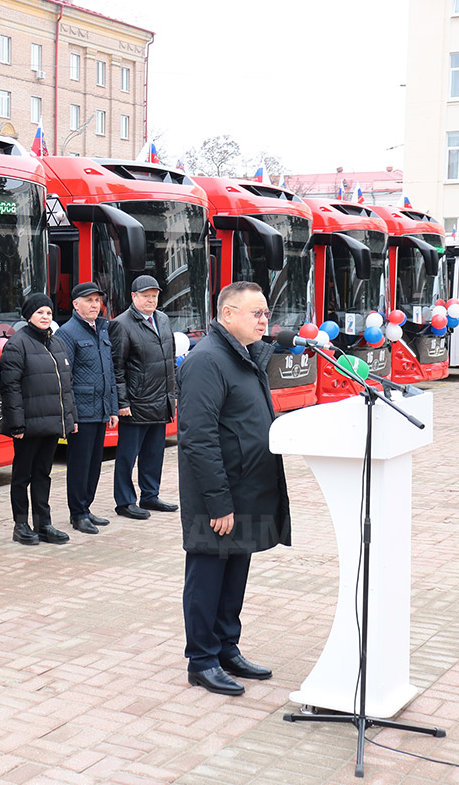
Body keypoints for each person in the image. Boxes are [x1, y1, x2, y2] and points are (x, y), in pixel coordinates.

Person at [176, 281, 291, 696]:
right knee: (207, 577)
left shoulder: (244, 357)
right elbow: (198, 437)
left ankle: (227, 648)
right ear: (227, 315)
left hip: (246, 489)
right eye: (255, 313)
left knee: (234, 577)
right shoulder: (207, 361)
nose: (265, 321)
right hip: (218, 497)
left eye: (265, 313)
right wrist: (218, 502)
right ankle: (202, 660)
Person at [0, 294, 77, 545]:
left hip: (52, 424)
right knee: (22, 475)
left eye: (49, 313)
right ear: (29, 315)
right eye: (40, 312)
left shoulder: (57, 344)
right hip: (28, 426)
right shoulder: (17, 344)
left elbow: (66, 386)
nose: (45, 317)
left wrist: (70, 419)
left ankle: (44, 524)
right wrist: (17, 424)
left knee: (43, 474)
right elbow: (10, 388)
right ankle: (21, 524)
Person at [109, 275, 179, 520]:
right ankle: (125, 501)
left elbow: (170, 361)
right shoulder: (121, 324)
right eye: (145, 296)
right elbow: (116, 368)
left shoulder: (163, 319)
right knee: (127, 456)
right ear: (133, 297)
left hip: (160, 400)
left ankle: (150, 495)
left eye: (154, 295)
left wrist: (174, 394)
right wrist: (123, 403)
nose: (151, 300)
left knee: (154, 453)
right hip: (136, 403)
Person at [56, 282, 119, 534]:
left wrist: (113, 408)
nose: (95, 305)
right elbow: (64, 378)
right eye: (89, 300)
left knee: (95, 463)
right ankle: (77, 513)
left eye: (97, 300)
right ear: (75, 305)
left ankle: (87, 507)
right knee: (79, 464)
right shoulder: (67, 333)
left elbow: (110, 372)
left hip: (100, 409)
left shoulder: (102, 329)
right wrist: (71, 415)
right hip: (81, 412)